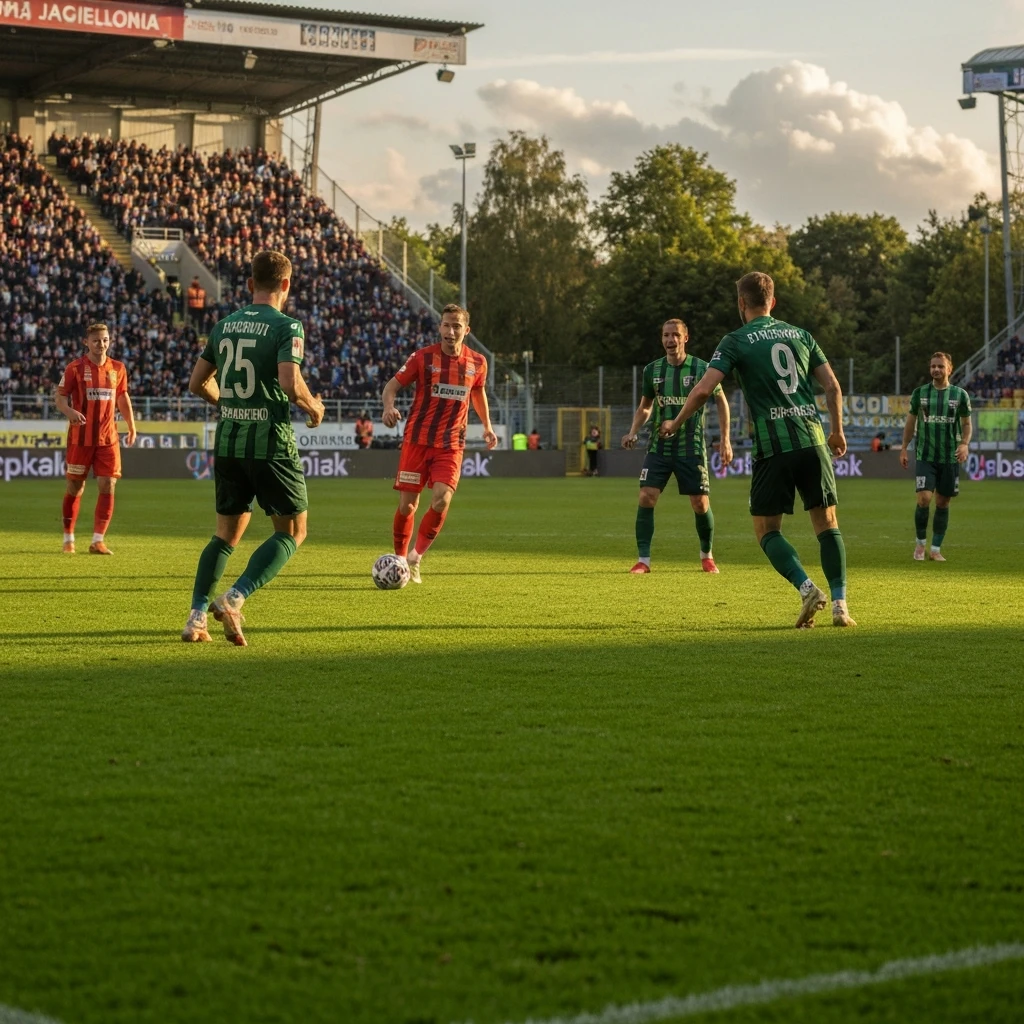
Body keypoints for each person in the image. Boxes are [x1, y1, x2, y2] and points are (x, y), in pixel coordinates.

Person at [661, 272, 855, 628]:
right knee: (827, 524)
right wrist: (838, 431)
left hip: (773, 446)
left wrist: (675, 422)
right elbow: (833, 386)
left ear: (741, 303)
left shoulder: (735, 341)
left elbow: (704, 390)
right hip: (813, 440)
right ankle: (841, 606)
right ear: (773, 301)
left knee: (766, 530)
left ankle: (806, 587)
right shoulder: (801, 335)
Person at [181, 250, 325, 645]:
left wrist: (227, 404)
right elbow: (289, 382)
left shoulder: (224, 325)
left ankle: (195, 619)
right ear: (286, 285)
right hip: (270, 445)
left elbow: (197, 385)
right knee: (293, 531)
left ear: (249, 284)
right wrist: (314, 406)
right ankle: (234, 597)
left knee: (225, 534)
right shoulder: (287, 326)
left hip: (228, 441)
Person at [381, 303, 497, 584]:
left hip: (451, 443)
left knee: (442, 499)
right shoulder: (422, 358)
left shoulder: (478, 362)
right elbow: (391, 386)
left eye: (456, 326)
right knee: (408, 506)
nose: (450, 330)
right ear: (439, 328)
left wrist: (487, 427)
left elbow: (478, 393)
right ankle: (399, 560)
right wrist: (388, 407)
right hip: (417, 441)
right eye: (446, 325)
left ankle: (415, 558)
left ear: (466, 330)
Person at [622, 318, 732, 574]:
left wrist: (725, 440)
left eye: (675, 335)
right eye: (665, 335)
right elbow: (645, 407)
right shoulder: (653, 370)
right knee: (646, 496)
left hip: (691, 447)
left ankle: (707, 556)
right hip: (659, 447)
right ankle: (643, 561)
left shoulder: (702, 369)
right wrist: (633, 431)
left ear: (685, 338)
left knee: (700, 503)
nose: (670, 340)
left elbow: (721, 402)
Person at [55, 322, 137, 554]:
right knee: (75, 487)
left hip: (108, 438)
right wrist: (70, 412)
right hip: (80, 439)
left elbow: (122, 397)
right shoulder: (75, 368)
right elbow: (60, 397)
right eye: (96, 340)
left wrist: (131, 426)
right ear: (86, 342)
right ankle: (68, 538)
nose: (101, 344)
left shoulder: (118, 368)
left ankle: (98, 540)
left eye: (105, 339)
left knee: (108, 484)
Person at [899, 352, 971, 562]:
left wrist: (965, 444)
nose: (936, 370)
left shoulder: (960, 395)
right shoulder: (919, 394)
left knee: (943, 502)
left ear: (949, 369)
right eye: (933, 366)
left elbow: (967, 424)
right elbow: (910, 423)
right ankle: (920, 545)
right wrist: (904, 447)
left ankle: (936, 549)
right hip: (925, 455)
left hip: (950, 457)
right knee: (924, 499)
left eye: (940, 366)